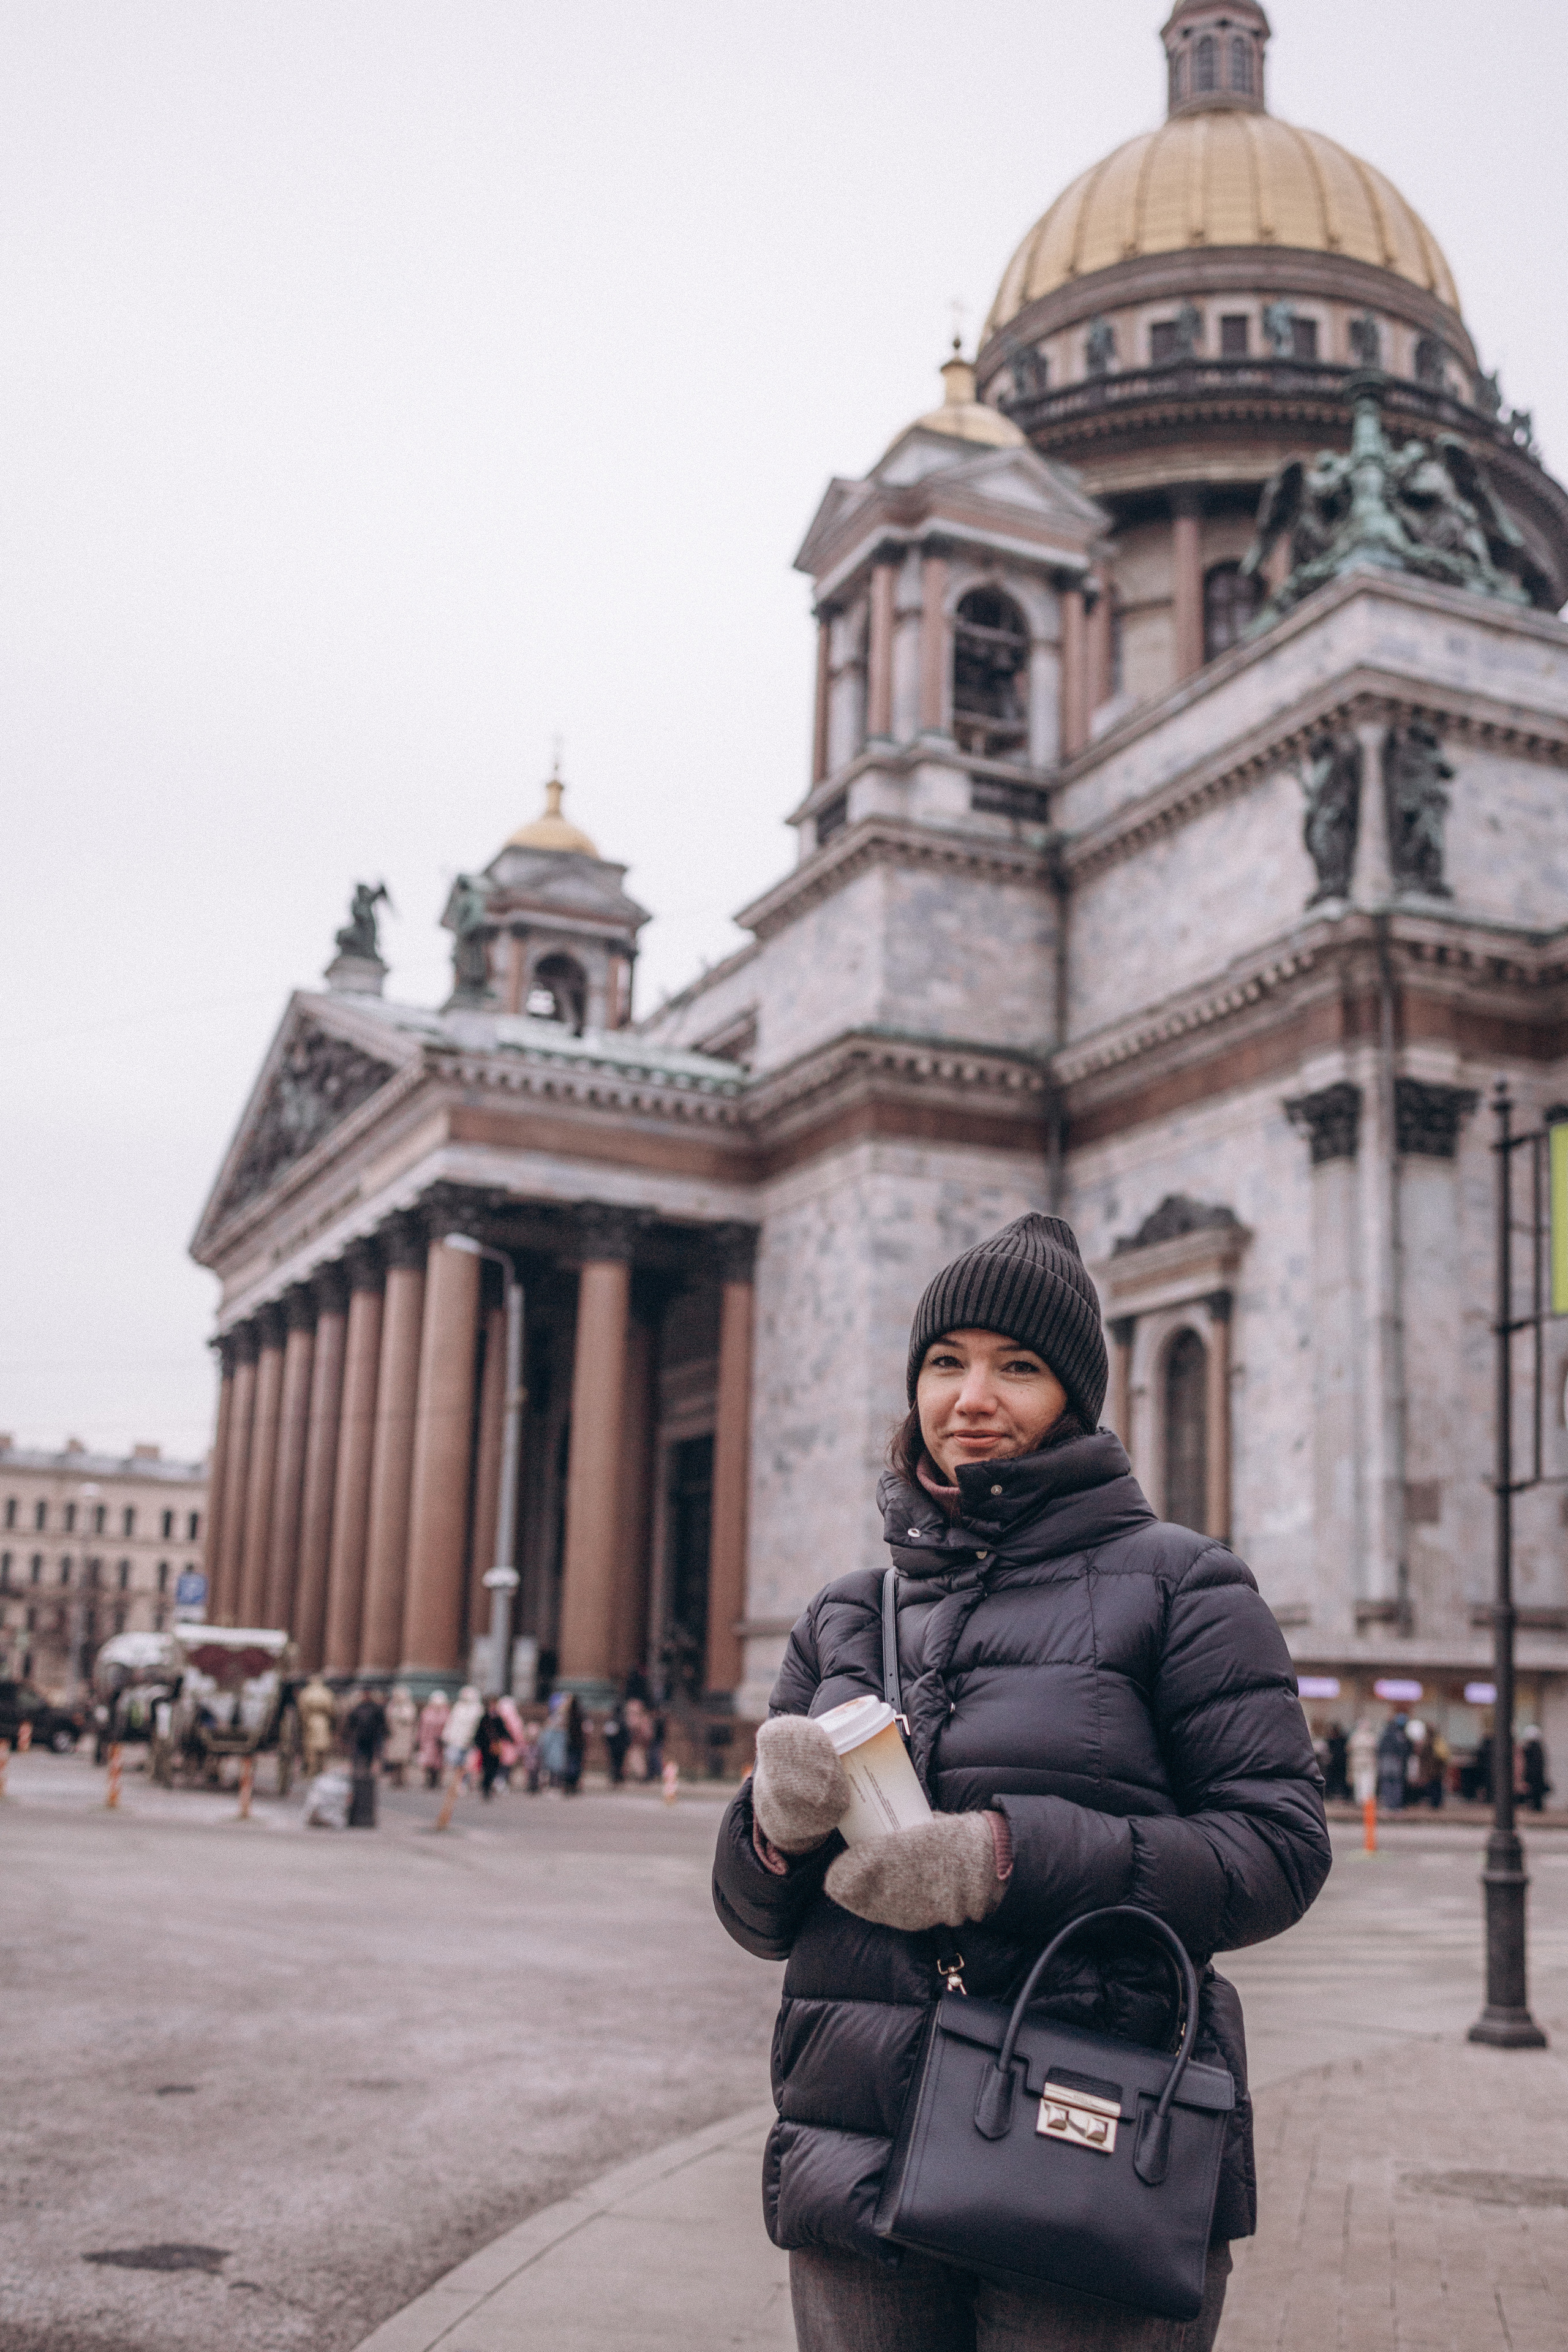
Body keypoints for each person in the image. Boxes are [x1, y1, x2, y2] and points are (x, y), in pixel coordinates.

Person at [712, 1213, 1330, 2351]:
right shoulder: (849, 1613)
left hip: (1083, 2139)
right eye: (946, 1363)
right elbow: (759, 1922)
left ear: (1077, 1400)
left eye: (1019, 1367)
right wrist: (772, 1831)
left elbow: (1279, 1850)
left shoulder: (1186, 1587)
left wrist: (1003, 1858)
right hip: (858, 2156)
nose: (973, 1399)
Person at [297, 1674, 337, 1782]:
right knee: (323, 1747)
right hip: (324, 1722)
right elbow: (332, 1709)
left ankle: (312, 1771)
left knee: (311, 1748)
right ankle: (320, 1770)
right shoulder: (327, 1692)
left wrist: (304, 1722)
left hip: (310, 1721)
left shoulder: (306, 1692)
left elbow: (302, 1709)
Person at [443, 1684, 484, 1784]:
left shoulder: (478, 1709)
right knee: (456, 1760)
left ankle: (465, 1781)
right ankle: (458, 1780)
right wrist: (447, 1734)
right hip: (457, 1740)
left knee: (469, 1763)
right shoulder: (458, 1707)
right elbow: (451, 1723)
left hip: (471, 1741)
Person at [342, 1686, 388, 1773]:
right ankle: (359, 1772)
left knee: (370, 1756)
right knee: (359, 1756)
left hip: (372, 1737)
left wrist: (384, 1732)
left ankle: (367, 1772)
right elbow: (351, 1722)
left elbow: (382, 1722)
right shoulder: (358, 1708)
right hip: (360, 1737)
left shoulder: (376, 1708)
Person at [473, 1696, 509, 1800]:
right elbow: (479, 1733)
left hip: (495, 1748)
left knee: (494, 1769)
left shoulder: (498, 1719)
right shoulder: (484, 1718)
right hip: (486, 1748)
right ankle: (485, 1787)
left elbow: (503, 1731)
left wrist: (509, 1739)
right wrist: (479, 1744)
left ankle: (488, 1787)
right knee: (486, 1769)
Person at [383, 1684, 418, 1787]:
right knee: (394, 1760)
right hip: (394, 1735)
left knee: (403, 1760)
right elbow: (388, 1718)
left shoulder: (408, 1707)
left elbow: (409, 1718)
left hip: (404, 1737)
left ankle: (402, 1779)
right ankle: (394, 1778)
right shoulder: (392, 1706)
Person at [417, 1689, 450, 1789]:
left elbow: (448, 1728)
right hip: (428, 1741)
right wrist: (420, 1739)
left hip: (440, 1742)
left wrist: (445, 1738)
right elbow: (422, 1727)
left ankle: (437, 1780)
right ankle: (428, 1780)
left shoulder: (446, 1713)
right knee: (428, 1761)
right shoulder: (426, 1713)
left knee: (439, 1763)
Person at [1377, 1714, 1410, 1813]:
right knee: (1396, 1783)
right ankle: (1395, 1805)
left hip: (1386, 1760)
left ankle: (1388, 1804)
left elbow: (1381, 1747)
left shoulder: (1386, 1733)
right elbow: (1403, 1749)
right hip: (1396, 1761)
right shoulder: (1400, 1734)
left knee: (1387, 1782)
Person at [1349, 1716, 1378, 1807]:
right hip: (1365, 1762)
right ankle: (1365, 1801)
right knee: (1364, 1781)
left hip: (1359, 1762)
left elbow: (1349, 1748)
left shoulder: (1355, 1737)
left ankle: (1362, 1800)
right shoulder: (1370, 1737)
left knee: (1362, 1782)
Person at [1522, 1726, 1550, 1812]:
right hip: (1537, 1778)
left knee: (1534, 1799)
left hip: (1533, 1778)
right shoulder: (1539, 1749)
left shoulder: (1530, 1749)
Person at [1325, 1721, 1350, 1802]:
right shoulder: (1340, 1740)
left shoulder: (1335, 1740)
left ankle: (1338, 1794)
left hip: (1337, 1763)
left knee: (1338, 1779)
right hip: (1338, 1763)